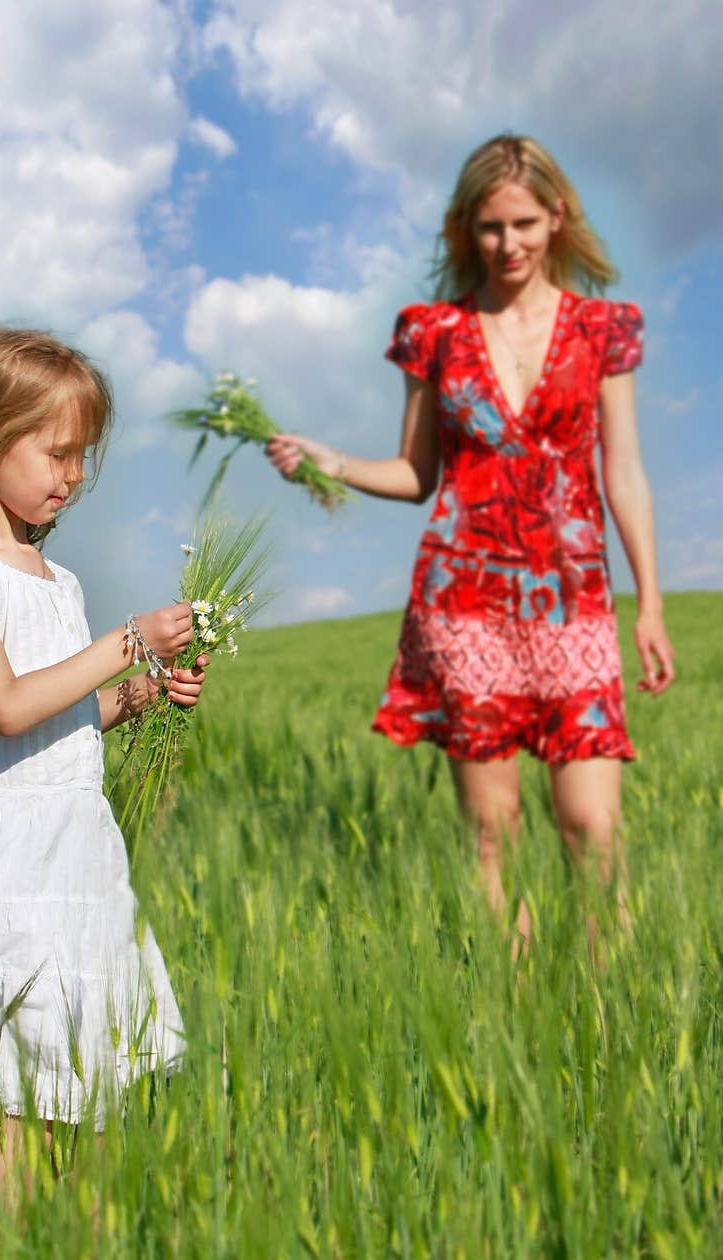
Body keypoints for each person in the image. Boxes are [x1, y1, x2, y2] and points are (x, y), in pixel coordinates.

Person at [266, 133, 674, 954]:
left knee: (592, 826)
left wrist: (651, 606)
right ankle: (515, 1010)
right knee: (493, 833)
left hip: (575, 600)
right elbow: (417, 473)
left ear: (557, 217)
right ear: (466, 230)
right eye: (490, 228)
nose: (509, 244)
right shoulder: (435, 332)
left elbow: (623, 473)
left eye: (524, 223)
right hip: (465, 603)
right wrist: (328, 460)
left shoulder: (604, 329)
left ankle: (610, 1012)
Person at [0, 326, 209, 1202]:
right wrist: (130, 639)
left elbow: (58, 720)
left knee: (88, 1088)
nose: (74, 475)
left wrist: (140, 692)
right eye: (57, 452)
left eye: (82, 457)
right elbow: (8, 704)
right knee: (27, 1099)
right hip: (6, 864)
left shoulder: (55, 580)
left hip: (77, 855)